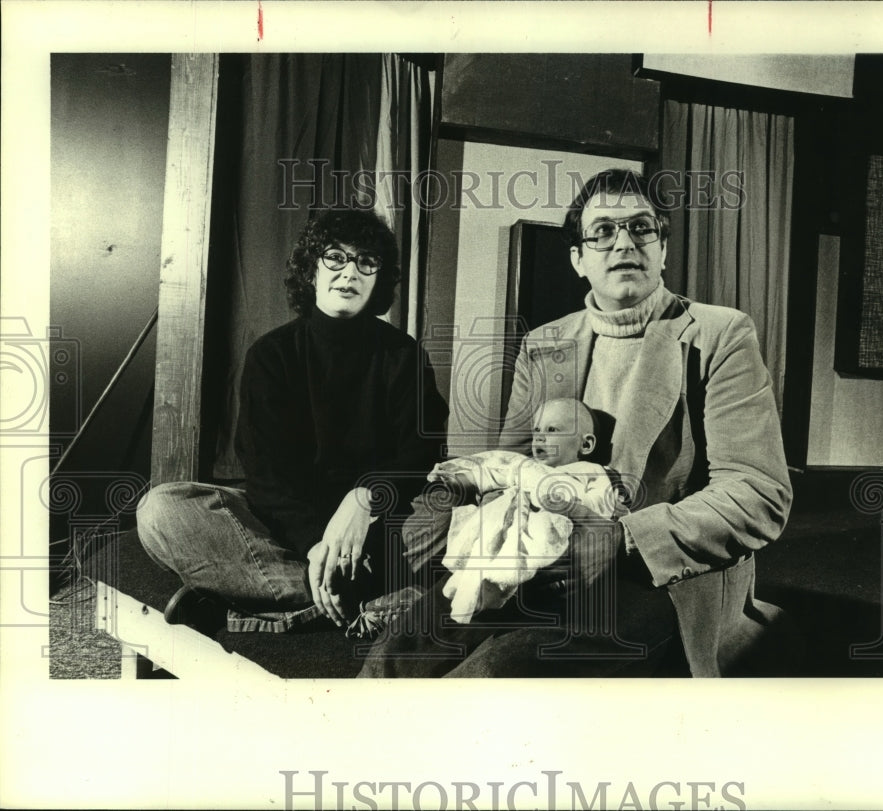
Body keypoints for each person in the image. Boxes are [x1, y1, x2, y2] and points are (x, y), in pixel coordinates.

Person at [358, 169, 791, 677]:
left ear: (664, 250)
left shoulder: (721, 334)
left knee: (498, 673)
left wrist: (623, 539)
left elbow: (758, 491)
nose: (624, 242)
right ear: (578, 259)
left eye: (641, 227)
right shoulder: (545, 343)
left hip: (657, 574)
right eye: (603, 230)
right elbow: (515, 468)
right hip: (540, 554)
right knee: (397, 652)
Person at [137, 208, 448, 633]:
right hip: (286, 528)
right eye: (335, 257)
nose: (349, 273)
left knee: (454, 510)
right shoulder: (271, 355)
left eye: (366, 261)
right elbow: (266, 476)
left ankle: (261, 604)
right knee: (162, 509)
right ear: (311, 270)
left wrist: (365, 497)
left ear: (379, 278)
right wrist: (318, 545)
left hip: (374, 529)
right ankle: (341, 598)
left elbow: (420, 453)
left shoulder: (404, 356)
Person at [433, 397, 622, 622]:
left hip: (559, 523)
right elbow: (494, 472)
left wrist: (574, 504)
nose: (540, 436)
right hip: (514, 515)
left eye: (552, 429)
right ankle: (476, 586)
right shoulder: (526, 466)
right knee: (487, 535)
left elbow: (601, 503)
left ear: (586, 445)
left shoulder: (590, 471)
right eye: (536, 430)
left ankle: (500, 588)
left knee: (538, 540)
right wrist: (460, 478)